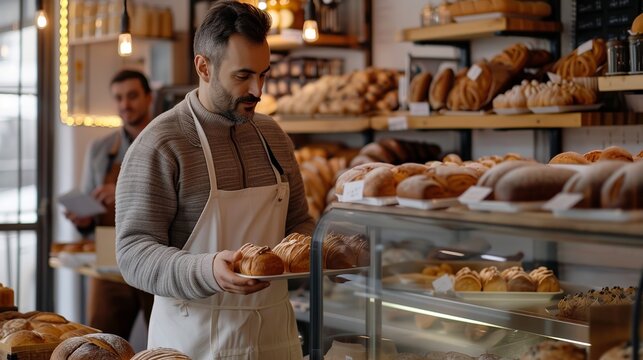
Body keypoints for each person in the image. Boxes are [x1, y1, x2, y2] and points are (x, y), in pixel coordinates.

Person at [115, 2, 314, 359]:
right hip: (192, 344)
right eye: (243, 76)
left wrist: (326, 256)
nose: (258, 90)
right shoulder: (161, 143)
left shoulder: (273, 137)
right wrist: (206, 270)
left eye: (263, 74)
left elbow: (299, 223)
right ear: (203, 67)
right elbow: (132, 252)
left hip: (275, 340)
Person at [65, 69, 155, 340]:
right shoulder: (100, 150)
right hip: (108, 256)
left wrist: (123, 194)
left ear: (149, 98)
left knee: (167, 343)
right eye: (118, 98)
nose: (125, 104)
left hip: (156, 256)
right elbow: (90, 206)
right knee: (99, 343)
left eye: (132, 96)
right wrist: (84, 220)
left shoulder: (165, 141)